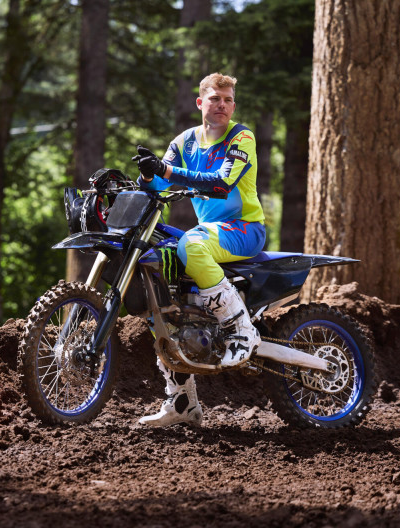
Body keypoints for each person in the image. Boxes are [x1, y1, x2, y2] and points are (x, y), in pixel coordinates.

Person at [131, 73, 265, 427]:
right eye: (215, 98)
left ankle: (241, 329)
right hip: (210, 232)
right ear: (200, 102)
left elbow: (222, 182)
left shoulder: (242, 136)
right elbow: (159, 185)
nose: (222, 105)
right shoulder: (184, 142)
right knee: (159, 289)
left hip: (245, 229)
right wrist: (147, 175)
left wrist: (165, 170)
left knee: (189, 245)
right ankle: (182, 403)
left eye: (228, 99)